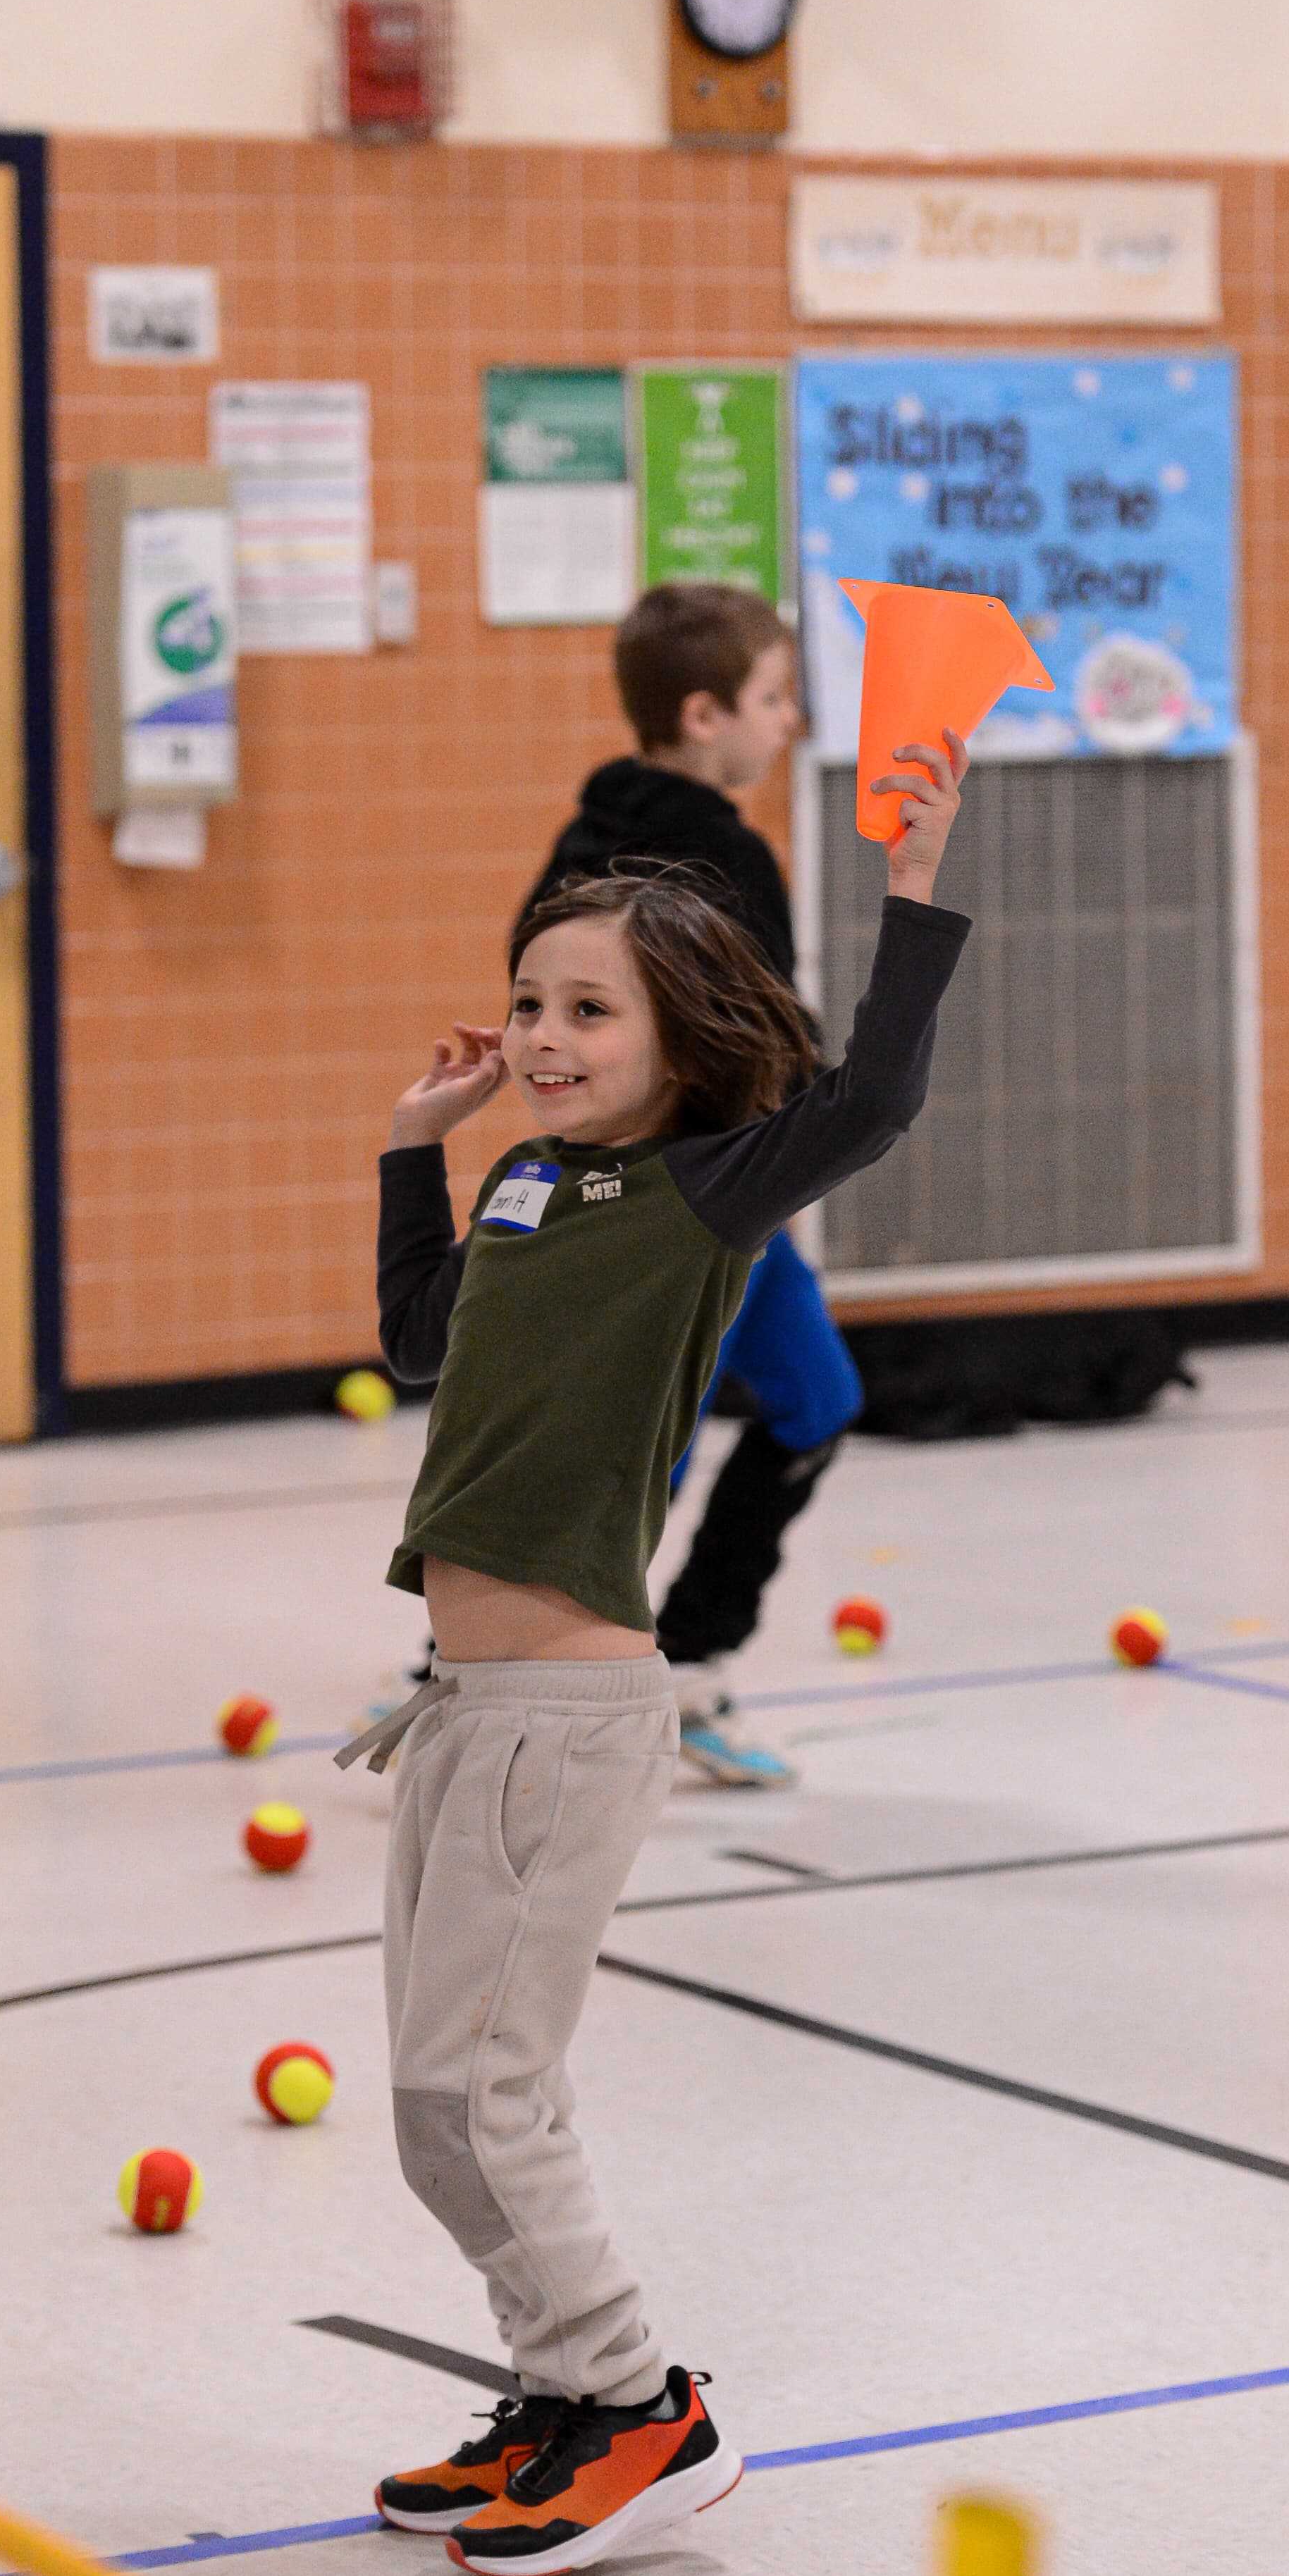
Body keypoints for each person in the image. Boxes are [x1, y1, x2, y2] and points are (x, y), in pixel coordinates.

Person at [340, 733, 968, 2576]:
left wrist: (917, 889)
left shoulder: (706, 1194)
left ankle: (639, 2410)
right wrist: (414, 1150)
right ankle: (550, 2401)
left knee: (485, 2096)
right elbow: (423, 1346)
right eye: (531, 999)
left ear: (680, 1043)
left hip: (570, 1721)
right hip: (459, 1713)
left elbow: (876, 1102)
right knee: (426, 2112)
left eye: (588, 1011)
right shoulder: (528, 1182)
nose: (543, 1035)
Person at [520, 581, 864, 1791]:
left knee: (813, 1399)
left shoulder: (587, 835)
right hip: (687, 1205)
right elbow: (754, 1028)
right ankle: (484, 1677)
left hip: (720, 1205)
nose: (794, 720)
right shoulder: (718, 851)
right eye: (775, 698)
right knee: (639, 1454)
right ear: (704, 713)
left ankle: (694, 1663)